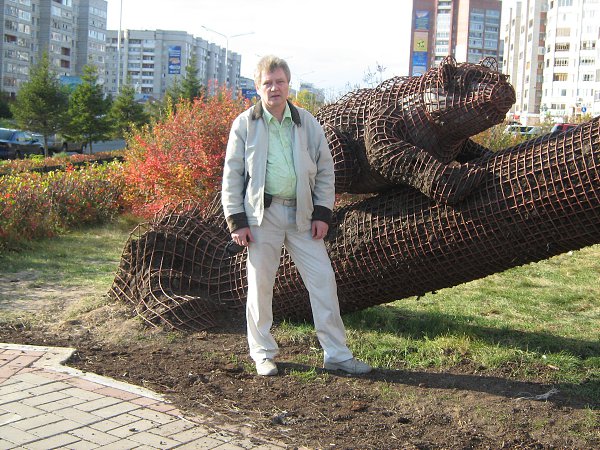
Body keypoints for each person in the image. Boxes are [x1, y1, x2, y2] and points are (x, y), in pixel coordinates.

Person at [221, 55, 372, 376]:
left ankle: (337, 355)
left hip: (303, 215)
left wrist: (322, 213)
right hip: (262, 218)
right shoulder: (245, 124)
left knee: (323, 280)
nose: (274, 88)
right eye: (267, 83)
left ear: (288, 85)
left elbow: (326, 169)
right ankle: (263, 353)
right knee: (260, 286)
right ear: (257, 87)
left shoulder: (306, 122)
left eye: (280, 82)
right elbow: (232, 175)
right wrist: (237, 220)